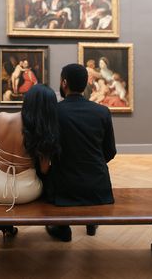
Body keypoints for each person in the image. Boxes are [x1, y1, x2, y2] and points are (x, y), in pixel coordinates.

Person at [44, 63, 116, 242]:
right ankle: (91, 222)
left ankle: (62, 228)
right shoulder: (102, 112)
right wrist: (90, 162)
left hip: (64, 187)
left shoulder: (54, 111)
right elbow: (110, 151)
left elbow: (48, 150)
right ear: (85, 85)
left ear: (64, 83)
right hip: (98, 187)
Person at [0, 84, 60, 237]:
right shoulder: (41, 131)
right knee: (50, 182)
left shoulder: (1, 117)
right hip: (24, 193)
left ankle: (6, 226)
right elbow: (44, 169)